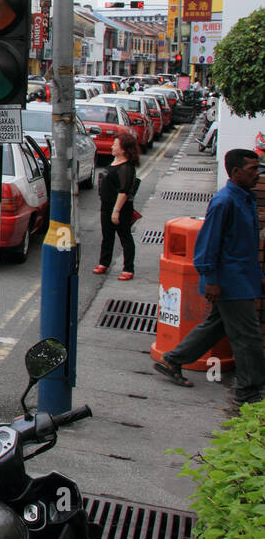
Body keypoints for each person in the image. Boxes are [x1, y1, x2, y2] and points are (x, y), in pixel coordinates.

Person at [155, 149, 265, 414]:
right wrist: (212, 280)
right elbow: (207, 246)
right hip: (229, 282)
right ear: (236, 172)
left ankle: (173, 359)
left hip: (241, 279)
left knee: (217, 326)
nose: (257, 174)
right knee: (248, 336)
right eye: (252, 169)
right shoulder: (224, 202)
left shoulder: (245, 197)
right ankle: (248, 393)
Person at [93, 131, 140, 279]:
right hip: (106, 206)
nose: (112, 146)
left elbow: (124, 191)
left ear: (124, 149)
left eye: (115, 144)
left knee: (124, 236)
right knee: (107, 236)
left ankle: (128, 268)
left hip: (120, 208)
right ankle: (104, 263)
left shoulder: (126, 167)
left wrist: (116, 211)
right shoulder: (115, 162)